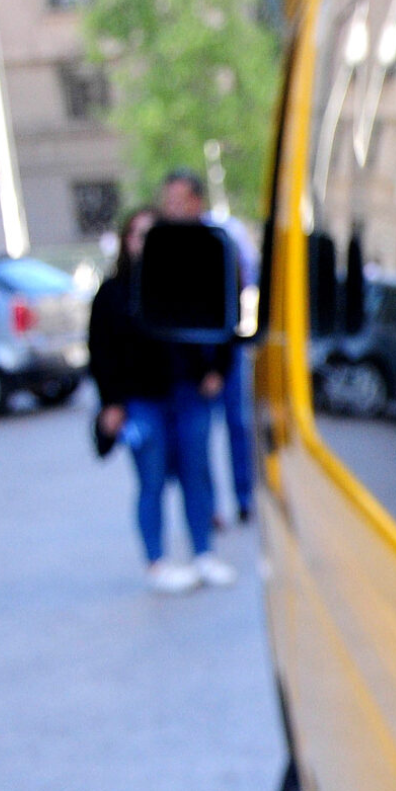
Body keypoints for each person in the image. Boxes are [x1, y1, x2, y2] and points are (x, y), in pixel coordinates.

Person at [89, 207, 237, 593]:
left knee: (196, 476)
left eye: (153, 234)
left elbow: (221, 326)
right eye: (138, 235)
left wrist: (216, 371)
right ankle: (157, 563)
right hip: (141, 401)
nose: (145, 243)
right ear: (126, 242)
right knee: (151, 481)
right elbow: (100, 352)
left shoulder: (183, 282)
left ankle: (204, 553)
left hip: (187, 394)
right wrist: (112, 403)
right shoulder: (113, 293)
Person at [157, 168, 259, 524]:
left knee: (237, 426)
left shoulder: (219, 243)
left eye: (180, 201)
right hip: (187, 363)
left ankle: (244, 497)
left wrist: (218, 367)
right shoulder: (163, 249)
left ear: (197, 202)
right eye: (169, 201)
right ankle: (208, 507)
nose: (174, 208)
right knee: (196, 440)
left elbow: (232, 307)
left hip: (223, 355)